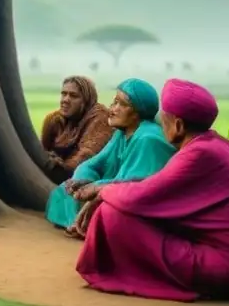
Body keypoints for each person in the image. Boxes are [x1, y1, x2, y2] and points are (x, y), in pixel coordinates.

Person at [76, 78, 229, 302]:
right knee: (117, 206)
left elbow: (142, 197)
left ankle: (124, 272)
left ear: (178, 125)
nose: (160, 123)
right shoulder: (218, 145)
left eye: (165, 118)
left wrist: (101, 191)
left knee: (111, 214)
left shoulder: (199, 154)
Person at [45, 77, 174, 236]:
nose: (113, 109)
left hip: (137, 201)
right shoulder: (122, 132)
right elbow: (94, 163)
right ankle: (77, 221)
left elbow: (135, 185)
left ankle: (84, 224)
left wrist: (95, 187)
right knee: (62, 192)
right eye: (115, 102)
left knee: (110, 211)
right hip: (108, 187)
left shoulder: (148, 139)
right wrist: (80, 180)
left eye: (123, 105)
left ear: (138, 112)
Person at [40, 76, 113, 184]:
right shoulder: (54, 120)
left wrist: (64, 167)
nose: (65, 100)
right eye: (64, 94)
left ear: (86, 100)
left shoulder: (100, 117)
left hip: (89, 181)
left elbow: (88, 154)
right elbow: (42, 150)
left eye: (73, 96)